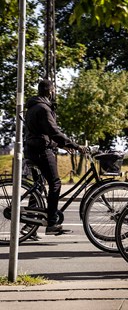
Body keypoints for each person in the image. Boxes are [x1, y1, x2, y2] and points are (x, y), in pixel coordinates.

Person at [24, 80, 85, 235]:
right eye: (53, 91)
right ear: (50, 91)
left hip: (32, 149)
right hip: (41, 151)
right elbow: (54, 132)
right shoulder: (44, 108)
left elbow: (42, 133)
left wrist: (60, 145)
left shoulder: (33, 106)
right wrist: (75, 146)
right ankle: (51, 223)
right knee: (55, 183)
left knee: (39, 186)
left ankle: (30, 226)